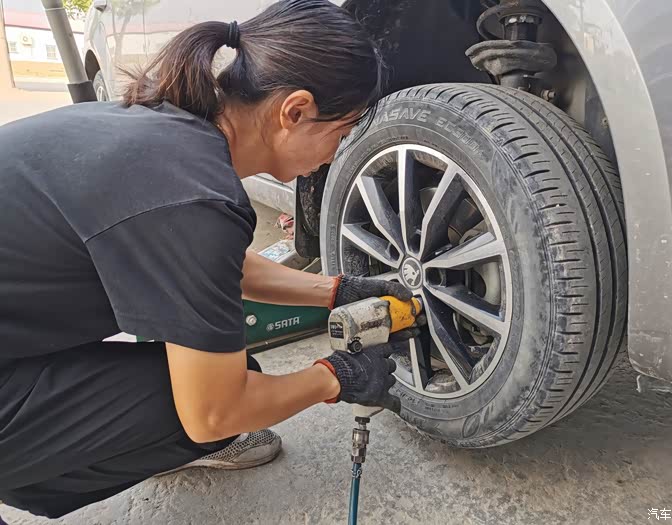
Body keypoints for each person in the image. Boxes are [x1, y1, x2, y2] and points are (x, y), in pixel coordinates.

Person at [0, 0, 417, 519]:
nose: (337, 153)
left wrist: (335, 291)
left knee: (215, 381)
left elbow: (202, 266)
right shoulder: (194, 200)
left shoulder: (163, 132)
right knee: (216, 399)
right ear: (295, 111)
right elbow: (213, 413)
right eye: (343, 132)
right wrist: (335, 377)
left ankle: (36, 462)